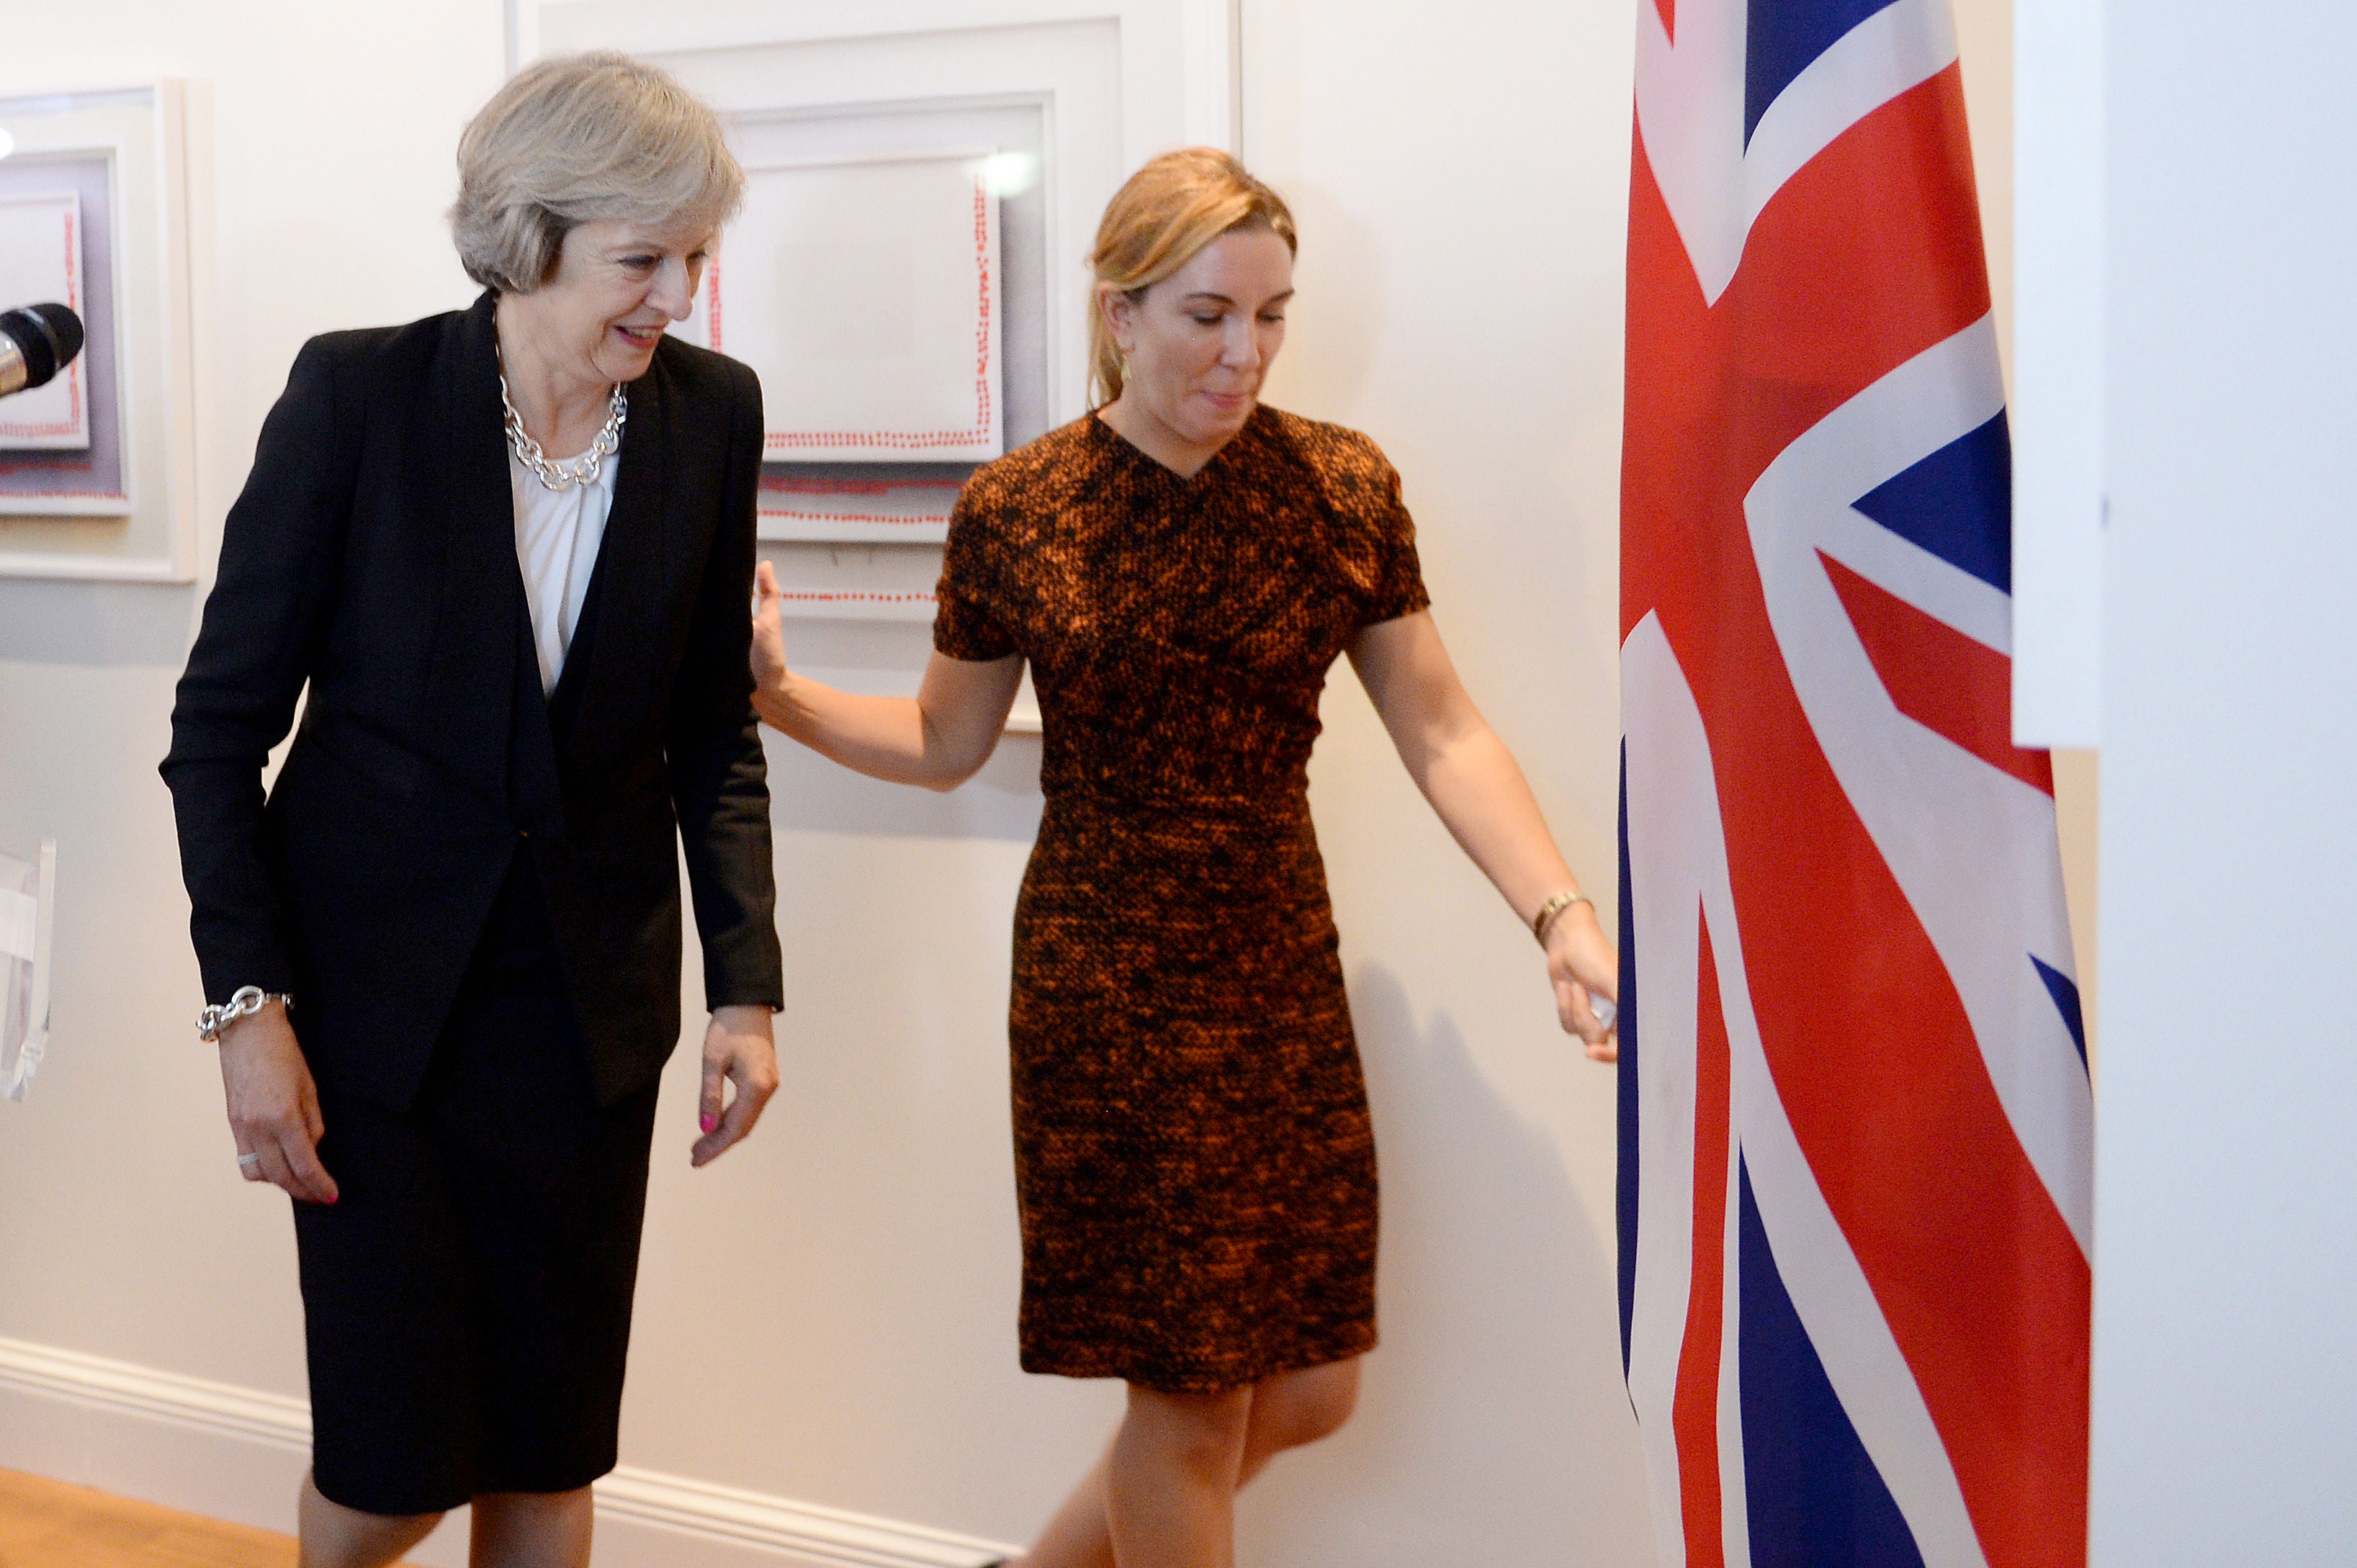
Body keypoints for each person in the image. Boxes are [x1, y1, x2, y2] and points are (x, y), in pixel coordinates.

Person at [748, 147, 1618, 1568]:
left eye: (1271, 316)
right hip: (1110, 976)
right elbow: (941, 738)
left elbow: (1442, 729)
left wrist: (1560, 917)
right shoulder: (1021, 510)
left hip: (1279, 959)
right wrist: (772, 693)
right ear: (1120, 313)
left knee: (1312, 1386)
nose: (1244, 352)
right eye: (1208, 315)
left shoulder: (1341, 488)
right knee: (1191, 1398)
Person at [160, 54, 783, 1568]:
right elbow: (217, 730)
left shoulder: (710, 416)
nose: (678, 297)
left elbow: (712, 728)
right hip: (372, 1030)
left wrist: (746, 988)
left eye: (695, 256)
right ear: (528, 236)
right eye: (644, 259)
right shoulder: (358, 395)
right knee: (387, 1470)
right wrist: (248, 1007)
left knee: (549, 1451)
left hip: (585, 1027)